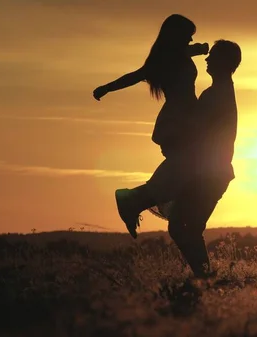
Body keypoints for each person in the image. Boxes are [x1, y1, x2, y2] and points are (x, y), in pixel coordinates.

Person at [118, 40, 242, 279]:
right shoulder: (218, 93)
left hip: (209, 173)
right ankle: (204, 277)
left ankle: (204, 277)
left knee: (184, 225)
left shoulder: (216, 96)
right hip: (210, 171)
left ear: (225, 62)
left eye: (212, 56)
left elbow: (195, 129)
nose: (207, 60)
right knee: (184, 226)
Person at [92, 14, 209, 238]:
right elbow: (134, 76)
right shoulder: (163, 60)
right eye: (188, 36)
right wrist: (106, 88)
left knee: (186, 170)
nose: (190, 40)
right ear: (176, 36)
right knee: (187, 168)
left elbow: (191, 50)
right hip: (177, 122)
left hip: (188, 120)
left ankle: (134, 200)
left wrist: (202, 48)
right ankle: (133, 200)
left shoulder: (180, 53)